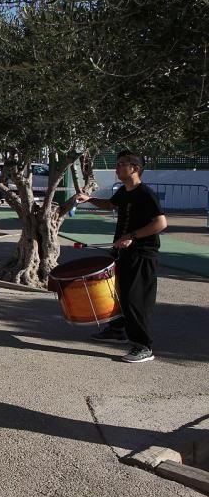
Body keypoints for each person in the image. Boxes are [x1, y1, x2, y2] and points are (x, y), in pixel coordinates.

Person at [75, 151, 167, 363]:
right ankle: (117, 330)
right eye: (117, 164)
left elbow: (160, 223)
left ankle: (144, 346)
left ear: (134, 168)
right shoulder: (124, 192)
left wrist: (132, 236)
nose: (117, 168)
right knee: (118, 294)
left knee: (135, 300)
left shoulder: (145, 193)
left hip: (142, 253)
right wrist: (90, 199)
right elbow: (110, 204)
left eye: (121, 165)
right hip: (122, 251)